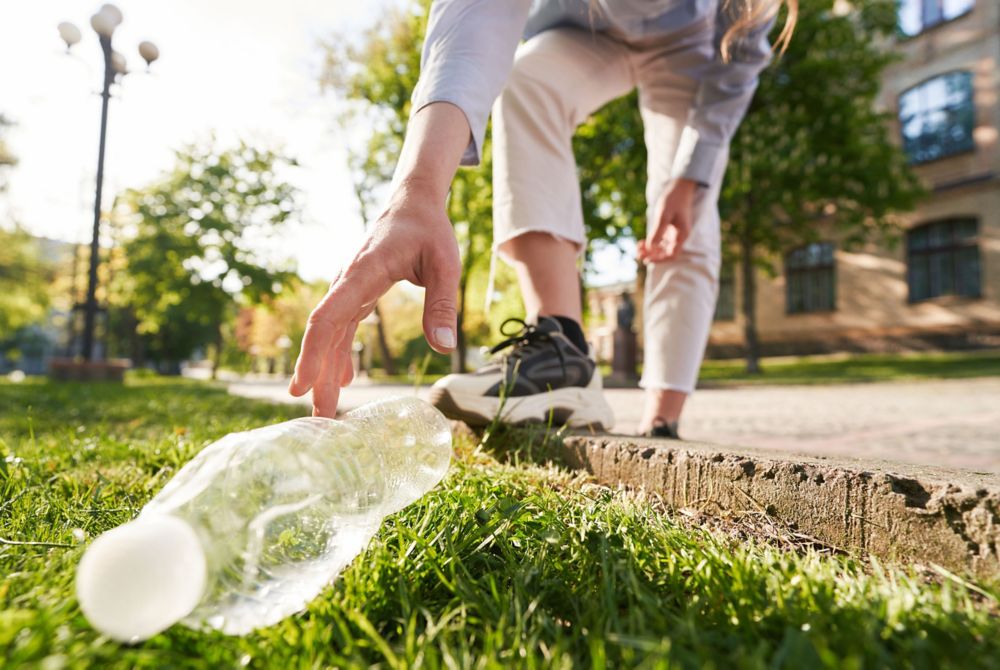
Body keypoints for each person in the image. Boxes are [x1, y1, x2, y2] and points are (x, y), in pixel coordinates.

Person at [290, 0, 797, 436]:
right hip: (585, 25)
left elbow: (742, 56)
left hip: (700, 39)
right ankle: (562, 352)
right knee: (526, 85)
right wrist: (417, 189)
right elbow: (473, 20)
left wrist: (690, 179)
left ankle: (663, 418)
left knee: (686, 209)